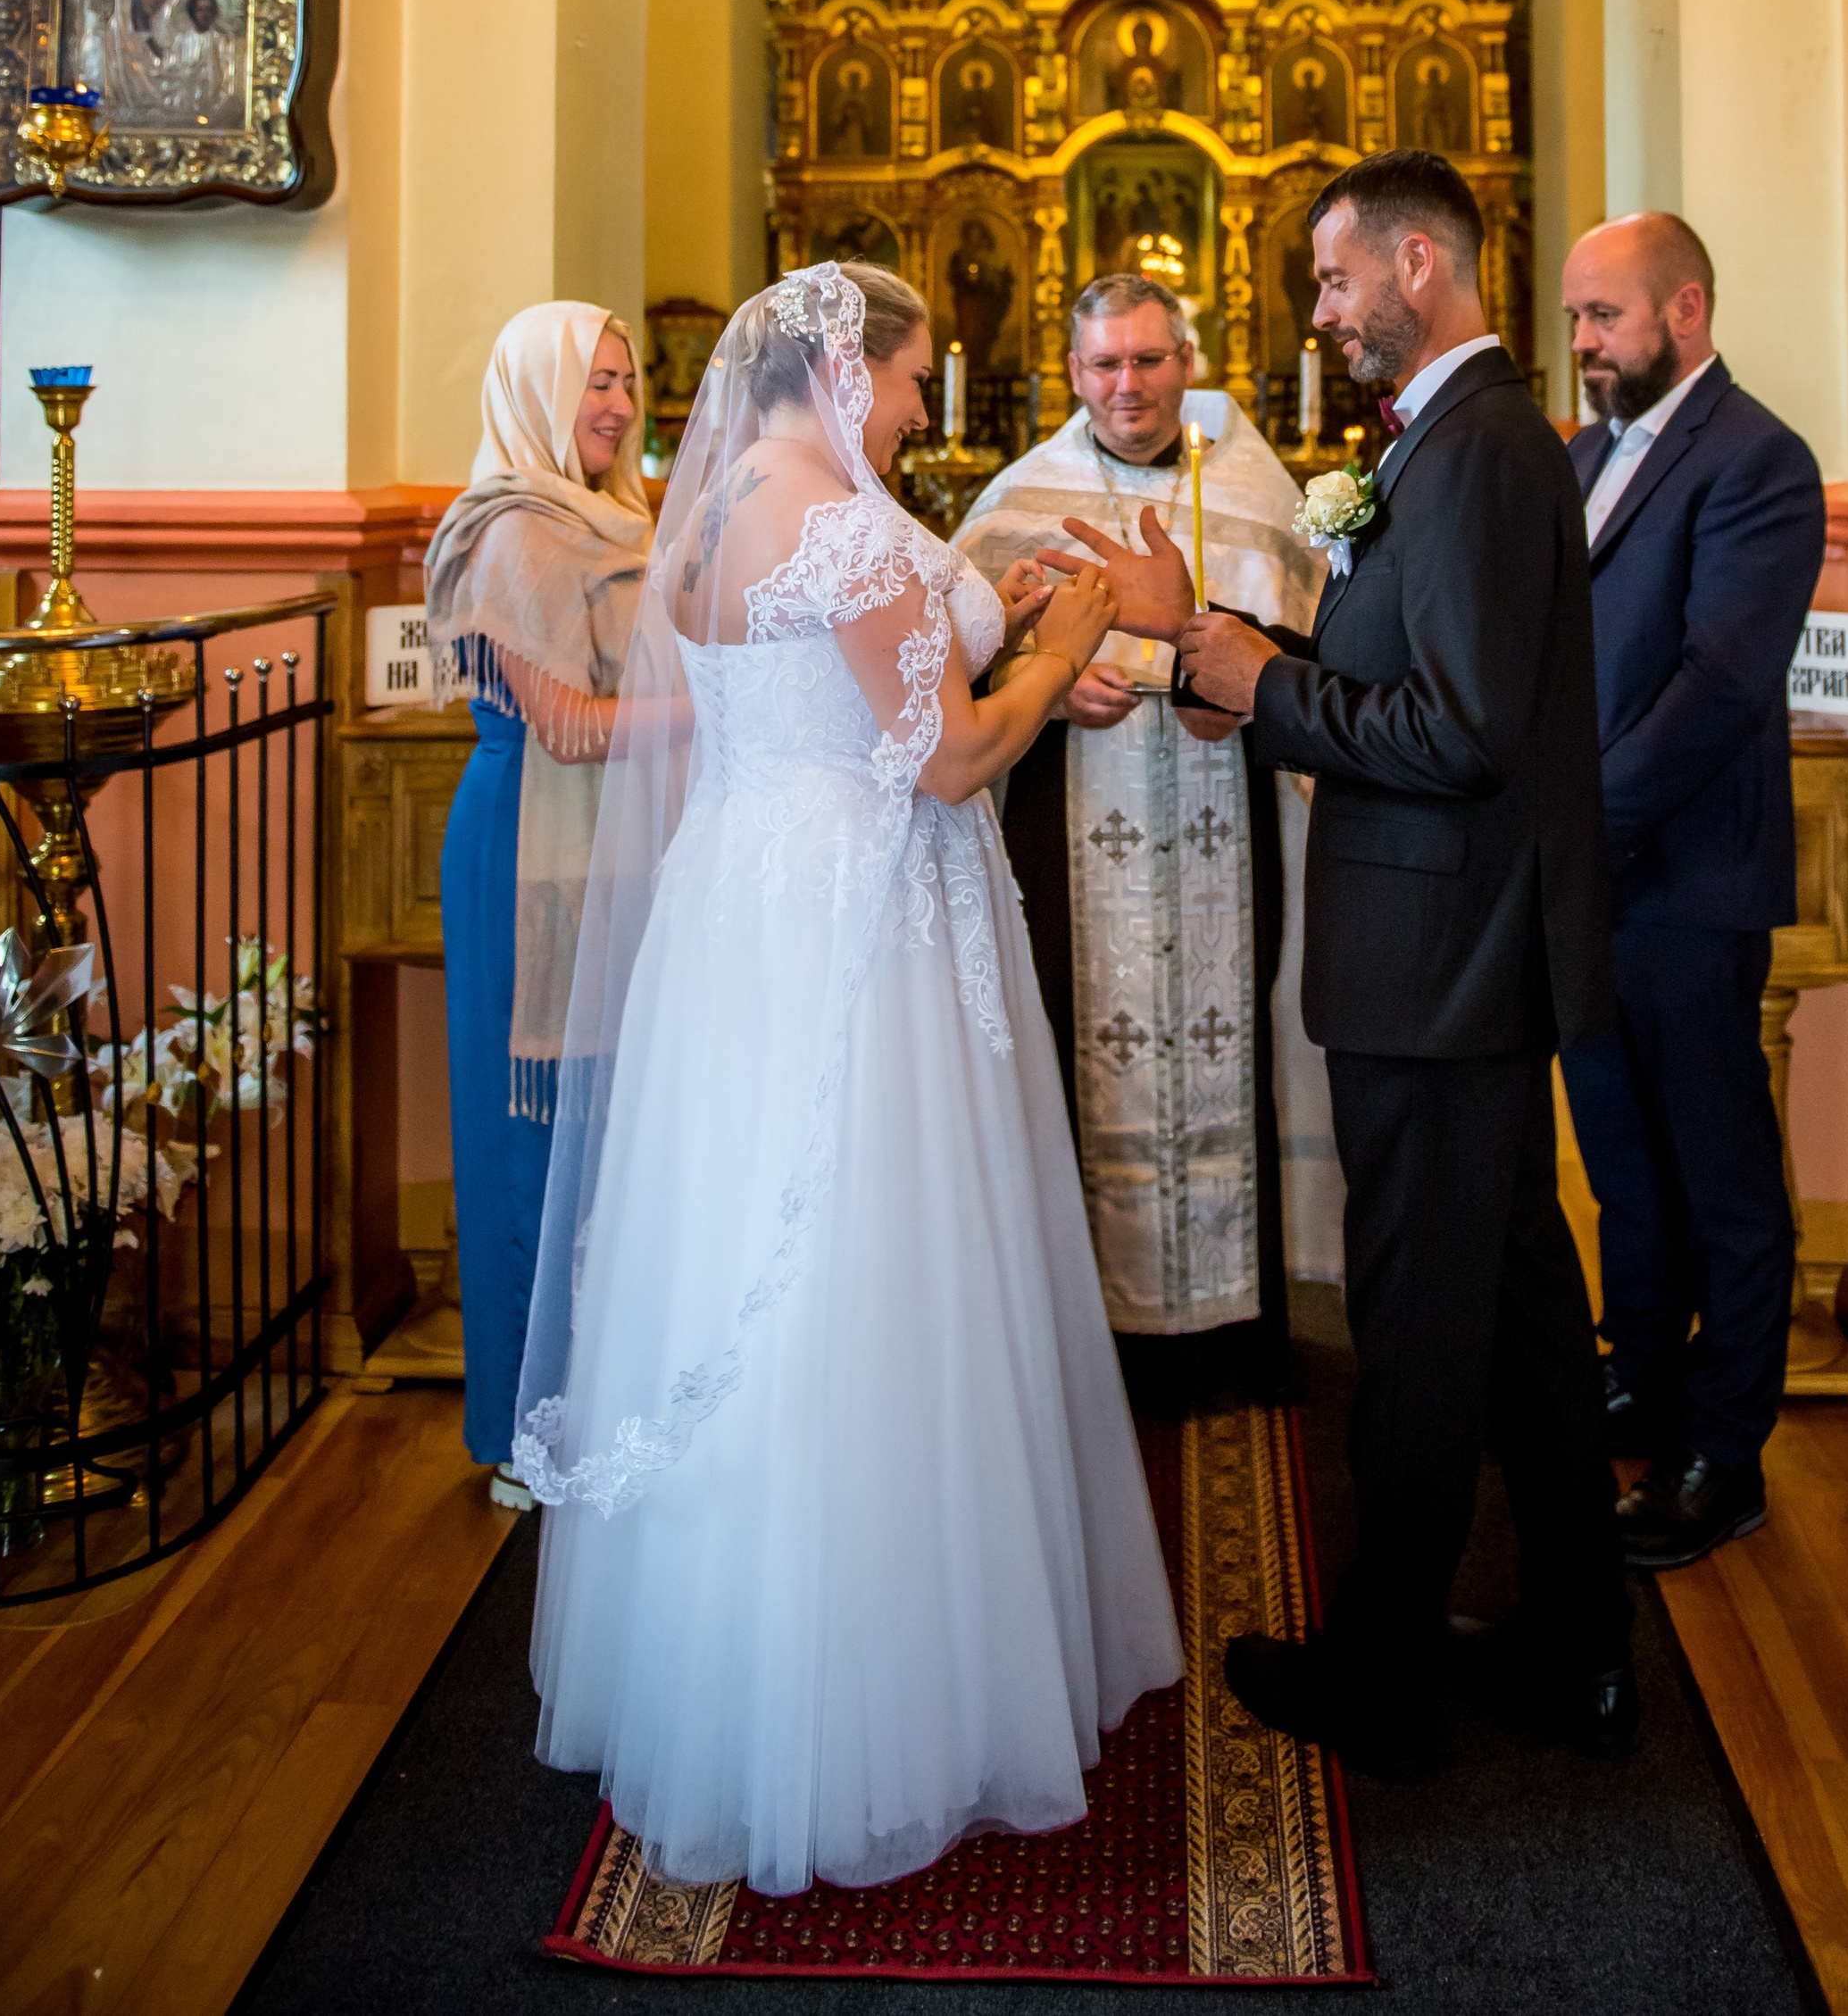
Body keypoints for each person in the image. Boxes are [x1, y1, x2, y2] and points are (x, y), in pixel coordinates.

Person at [516, 261, 1179, 1894]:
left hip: (744, 903)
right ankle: (890, 1694)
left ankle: (723, 1662)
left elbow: (829, 685)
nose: (917, 404)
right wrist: (1068, 631)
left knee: (741, 1254)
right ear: (841, 368)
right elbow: (947, 753)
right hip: (862, 921)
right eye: (909, 376)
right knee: (875, 1270)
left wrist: (998, 601)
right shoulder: (850, 526)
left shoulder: (726, 499)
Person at [1056, 154, 1630, 1776]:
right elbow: (1410, 687)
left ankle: (1384, 1671)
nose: (1321, 312)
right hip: (1448, 954)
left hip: (1439, 962)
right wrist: (1221, 654)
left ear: (1421, 266)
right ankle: (1583, 1646)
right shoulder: (1445, 448)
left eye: (1334, 280)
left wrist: (1255, 675)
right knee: (1516, 1320)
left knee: (1421, 1334)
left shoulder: (1482, 455)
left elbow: (1457, 734)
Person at [957, 273, 1330, 1408]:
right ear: (1072, 373)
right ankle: (1097, 1343)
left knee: (1234, 1036)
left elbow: (1312, 645)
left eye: (1151, 360)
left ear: (1187, 361)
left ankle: (1231, 1335)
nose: (1129, 385)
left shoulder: (1258, 492)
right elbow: (956, 653)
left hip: (1228, 820)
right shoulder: (1021, 498)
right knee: (1086, 1050)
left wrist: (1248, 684)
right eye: (1106, 364)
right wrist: (1050, 687)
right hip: (1071, 827)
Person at [1556, 212, 1826, 1570]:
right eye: (1577, 322)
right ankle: (1641, 1377)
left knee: (1722, 1179)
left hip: (1685, 876)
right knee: (1623, 1164)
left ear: (1689, 307)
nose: (1586, 345)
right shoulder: (1593, 449)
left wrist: (1579, 822)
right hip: (1594, 879)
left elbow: (1719, 682)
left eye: (1605, 318)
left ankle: (1728, 1449)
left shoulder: (1760, 460)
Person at [422, 305, 652, 1507]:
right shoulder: (514, 528)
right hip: (528, 847)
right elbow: (565, 720)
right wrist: (725, 715)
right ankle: (523, 1424)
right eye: (589, 381)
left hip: (613, 841)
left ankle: (601, 1395)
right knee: (530, 1136)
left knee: (612, 1136)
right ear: (531, 392)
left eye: (624, 378)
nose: (613, 402)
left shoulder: (626, 514)